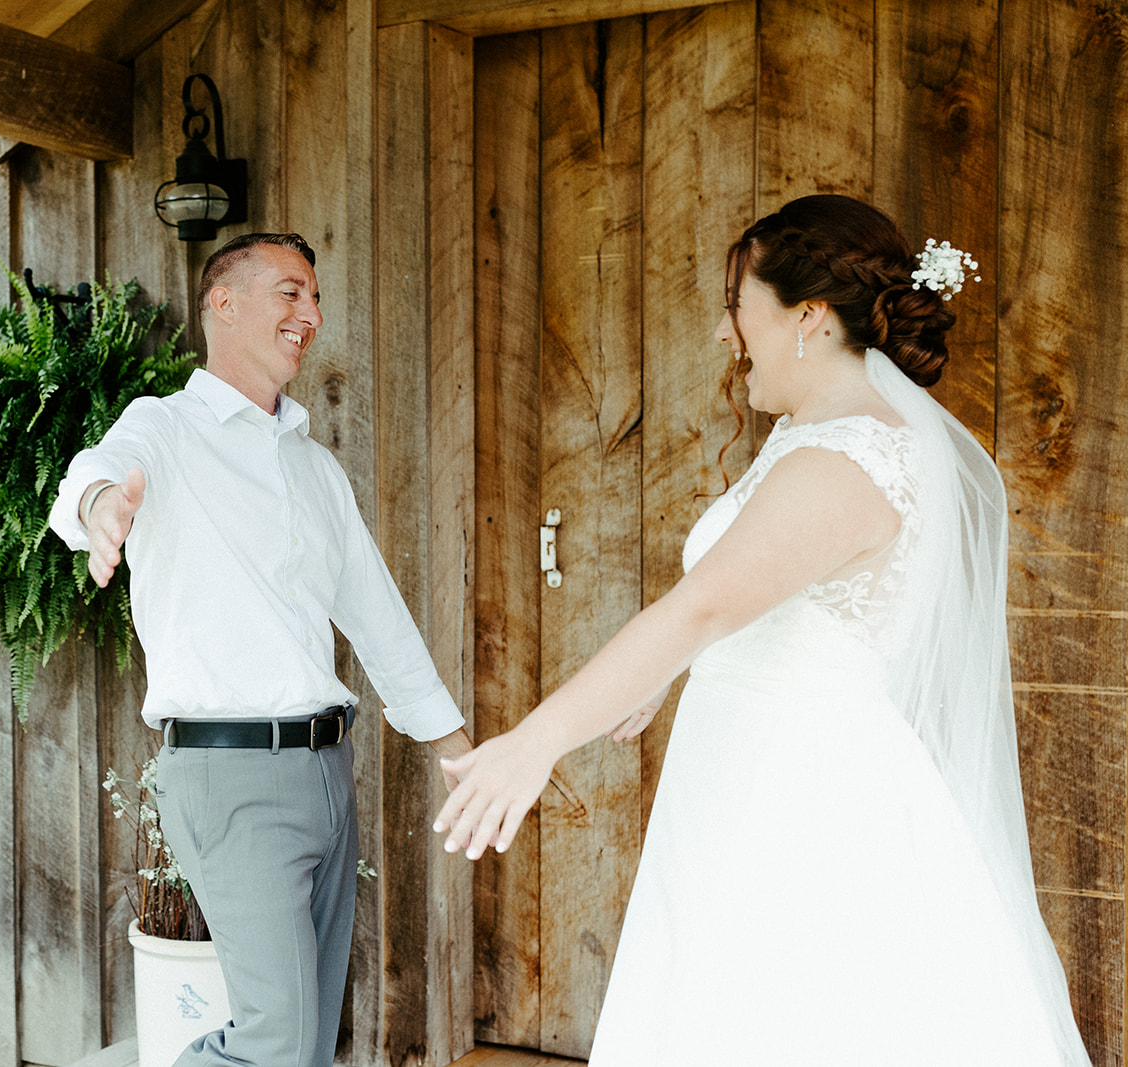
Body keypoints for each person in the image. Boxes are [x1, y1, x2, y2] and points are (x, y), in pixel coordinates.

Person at [433, 196, 1091, 1066]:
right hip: (747, 762)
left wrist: (536, 740)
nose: (722, 331)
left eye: (738, 305)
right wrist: (675, 668)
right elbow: (760, 600)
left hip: (800, 795)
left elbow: (702, 603)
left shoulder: (844, 458)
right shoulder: (814, 439)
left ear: (807, 319)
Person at [49, 232, 472, 1067]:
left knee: (309, 1044)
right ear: (224, 303)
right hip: (231, 775)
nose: (311, 314)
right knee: (275, 1042)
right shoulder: (164, 428)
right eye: (291, 292)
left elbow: (378, 617)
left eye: (315, 298)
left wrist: (459, 752)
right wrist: (102, 507)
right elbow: (91, 474)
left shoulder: (315, 469)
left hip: (326, 771)